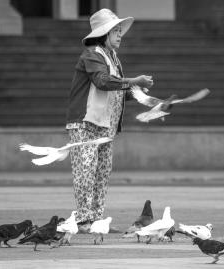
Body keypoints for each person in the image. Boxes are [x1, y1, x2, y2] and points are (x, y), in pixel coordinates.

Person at [65, 8, 153, 227]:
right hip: (85, 124)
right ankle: (85, 219)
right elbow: (102, 82)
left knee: (102, 174)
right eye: (115, 30)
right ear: (103, 34)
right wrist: (134, 81)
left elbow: (116, 90)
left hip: (106, 126)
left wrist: (148, 100)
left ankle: (96, 221)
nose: (120, 34)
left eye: (120, 30)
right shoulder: (92, 53)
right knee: (86, 172)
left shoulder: (112, 57)